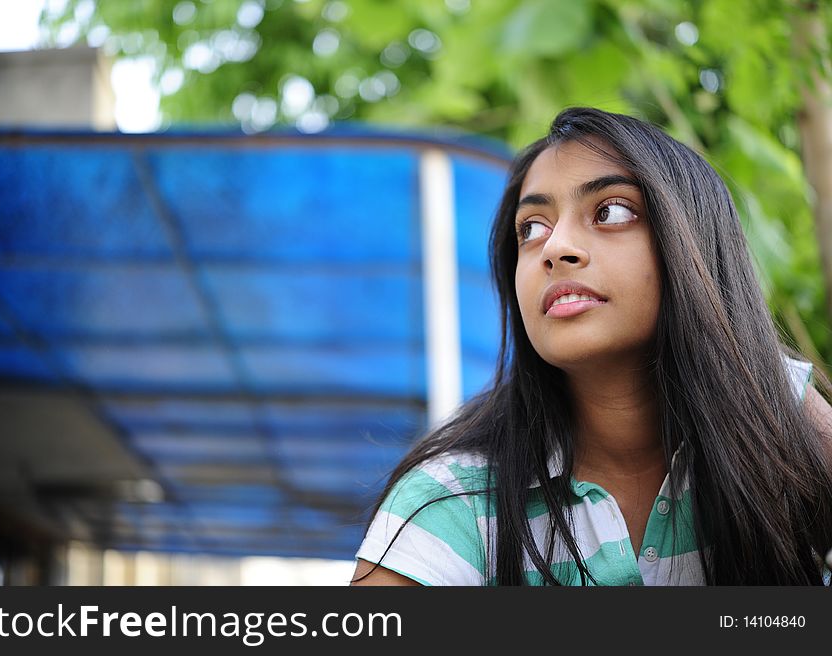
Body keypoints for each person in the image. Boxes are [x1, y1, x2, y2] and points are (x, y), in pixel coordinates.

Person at [351, 107, 832, 586]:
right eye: (531, 228)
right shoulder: (453, 502)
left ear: (696, 247)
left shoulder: (779, 423)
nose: (555, 247)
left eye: (611, 212)